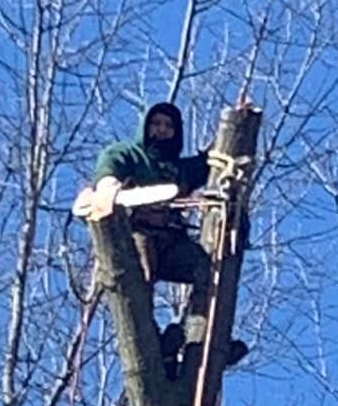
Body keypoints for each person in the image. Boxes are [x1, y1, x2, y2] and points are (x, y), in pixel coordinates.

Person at [91, 102, 246, 376]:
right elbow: (108, 173)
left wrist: (239, 120)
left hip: (172, 239)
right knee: (141, 278)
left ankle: (201, 341)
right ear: (146, 126)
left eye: (168, 126)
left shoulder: (179, 169)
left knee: (209, 272)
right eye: (157, 124)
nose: (162, 130)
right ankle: (153, 343)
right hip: (139, 234)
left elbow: (214, 159)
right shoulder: (127, 154)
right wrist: (108, 188)